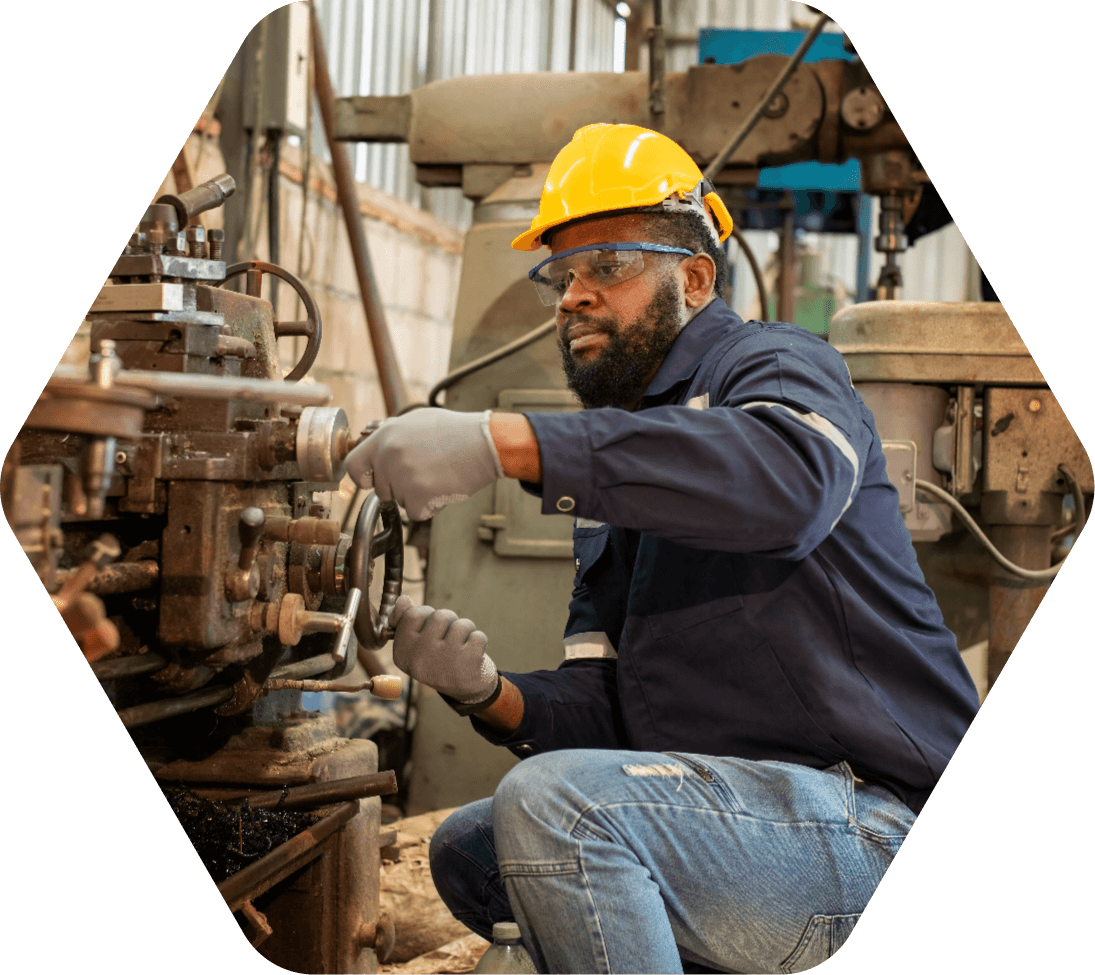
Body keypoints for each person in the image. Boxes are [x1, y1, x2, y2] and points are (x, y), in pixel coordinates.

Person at [345, 123, 980, 975]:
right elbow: (614, 709)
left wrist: (509, 442)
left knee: (559, 806)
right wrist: (488, 693)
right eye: (560, 275)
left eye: (606, 266)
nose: (573, 296)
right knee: (474, 846)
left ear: (692, 277)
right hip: (738, 825)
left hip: (872, 820)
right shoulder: (622, 475)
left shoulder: (778, 365)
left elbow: (785, 490)